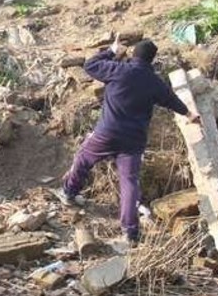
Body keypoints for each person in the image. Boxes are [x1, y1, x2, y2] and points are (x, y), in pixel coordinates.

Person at [54, 37, 201, 245]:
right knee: (129, 182)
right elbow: (171, 100)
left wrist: (112, 50)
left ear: (133, 54)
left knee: (83, 158)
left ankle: (69, 192)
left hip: (107, 133)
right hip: (133, 141)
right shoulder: (154, 82)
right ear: (151, 60)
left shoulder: (119, 70)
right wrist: (189, 114)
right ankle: (130, 232)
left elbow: (90, 65)